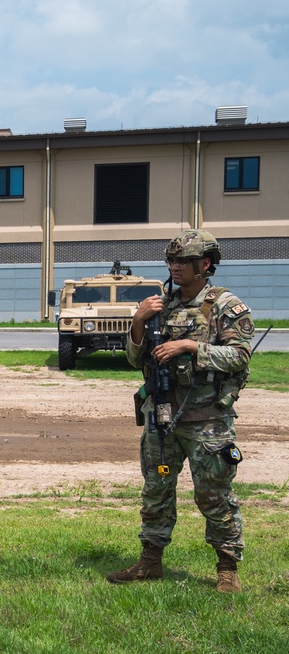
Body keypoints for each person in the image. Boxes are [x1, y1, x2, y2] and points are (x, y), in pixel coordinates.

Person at [107, 230, 254, 593]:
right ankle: (150, 561)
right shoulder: (161, 305)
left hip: (207, 422)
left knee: (213, 495)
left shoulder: (224, 305)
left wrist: (190, 346)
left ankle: (227, 568)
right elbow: (134, 358)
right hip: (162, 419)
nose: (175, 267)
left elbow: (240, 357)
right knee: (156, 489)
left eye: (183, 261)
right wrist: (139, 322)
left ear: (204, 265)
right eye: (171, 261)